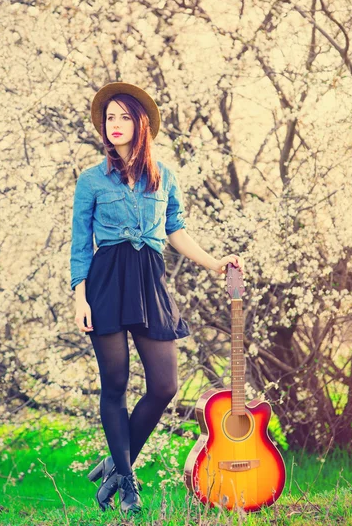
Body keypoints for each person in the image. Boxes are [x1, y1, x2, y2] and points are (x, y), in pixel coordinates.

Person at [70, 82, 244, 515]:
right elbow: (79, 244)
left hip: (149, 282)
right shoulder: (90, 180)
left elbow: (176, 230)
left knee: (164, 384)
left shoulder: (164, 175)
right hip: (106, 282)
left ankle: (115, 460)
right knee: (115, 385)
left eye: (124, 117)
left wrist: (213, 262)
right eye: (109, 117)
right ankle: (127, 484)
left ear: (140, 123)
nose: (115, 125)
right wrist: (80, 297)